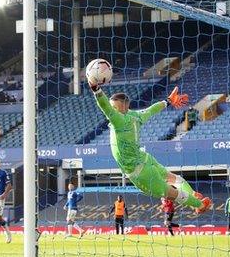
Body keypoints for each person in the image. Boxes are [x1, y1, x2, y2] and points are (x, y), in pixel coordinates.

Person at [90, 83, 211, 214]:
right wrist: (168, 101)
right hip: (145, 158)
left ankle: (199, 204)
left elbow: (104, 106)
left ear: (123, 106)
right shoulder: (135, 116)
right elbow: (152, 109)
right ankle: (192, 193)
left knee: (171, 193)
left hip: (139, 172)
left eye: (114, 106)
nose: (112, 109)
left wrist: (96, 89)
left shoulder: (118, 120)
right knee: (174, 179)